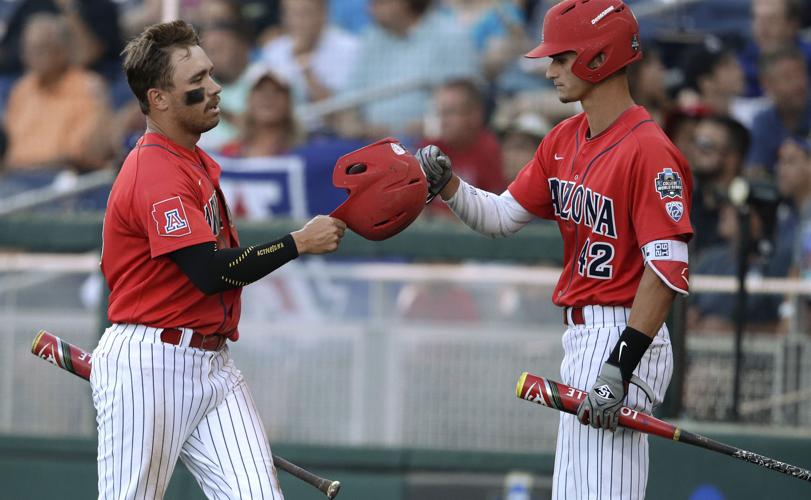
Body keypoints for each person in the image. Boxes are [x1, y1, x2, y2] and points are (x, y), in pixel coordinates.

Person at [417, 1, 692, 498]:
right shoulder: (564, 138)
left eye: (561, 58)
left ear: (599, 57)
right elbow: (501, 217)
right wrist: (450, 186)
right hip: (584, 338)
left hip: (624, 332)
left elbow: (666, 272)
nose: (549, 71)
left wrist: (620, 365)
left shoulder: (649, 149)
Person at [91, 20, 347, 499]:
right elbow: (210, 272)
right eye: (197, 81)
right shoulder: (155, 169)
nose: (215, 88)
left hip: (211, 362)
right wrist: (297, 242)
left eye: (210, 74)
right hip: (151, 362)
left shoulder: (189, 159)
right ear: (158, 99)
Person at [4, 13, 112, 171]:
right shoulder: (22, 88)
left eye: (41, 49)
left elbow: (81, 154)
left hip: (59, 175)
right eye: (28, 50)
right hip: (15, 174)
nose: (31, 57)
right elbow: (7, 146)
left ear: (62, 51)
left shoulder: (87, 86)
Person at [746, 47, 811, 177]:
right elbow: (755, 173)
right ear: (766, 83)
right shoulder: (764, 121)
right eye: (788, 78)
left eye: (801, 75)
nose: (798, 84)